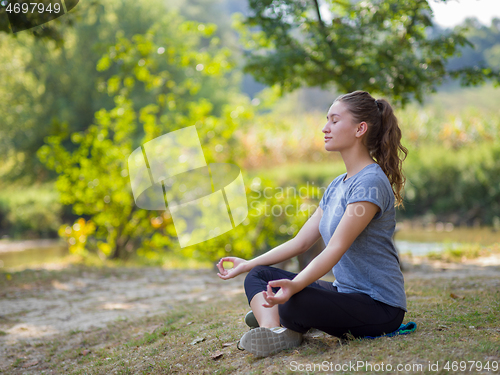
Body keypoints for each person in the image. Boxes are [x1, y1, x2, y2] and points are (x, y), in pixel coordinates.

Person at [216, 90, 408, 357]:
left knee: (295, 299)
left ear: (359, 129)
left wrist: (296, 285)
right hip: (345, 293)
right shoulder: (336, 185)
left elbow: (334, 249)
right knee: (259, 275)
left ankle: (281, 317)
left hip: (379, 307)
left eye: (334, 120)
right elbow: (301, 242)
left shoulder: (370, 182)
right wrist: (248, 263)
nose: (324, 128)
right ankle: (274, 332)